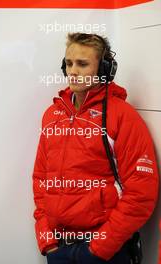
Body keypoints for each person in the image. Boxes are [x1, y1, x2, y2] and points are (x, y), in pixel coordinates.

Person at [32, 32, 159, 264]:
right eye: (68, 63)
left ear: (105, 69)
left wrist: (99, 248)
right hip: (58, 249)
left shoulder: (122, 116)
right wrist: (46, 240)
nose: (73, 71)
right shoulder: (52, 116)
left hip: (104, 252)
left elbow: (141, 192)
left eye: (82, 64)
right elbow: (41, 180)